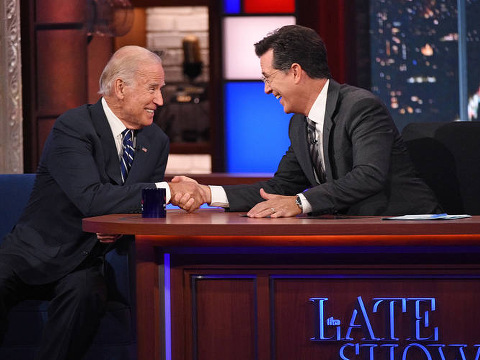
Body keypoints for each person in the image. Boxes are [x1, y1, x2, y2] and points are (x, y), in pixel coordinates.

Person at [0, 45, 203, 359]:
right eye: (153, 88)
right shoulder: (74, 127)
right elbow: (91, 198)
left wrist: (122, 228)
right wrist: (168, 190)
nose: (160, 100)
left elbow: (147, 210)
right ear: (121, 88)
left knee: (86, 295)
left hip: (86, 260)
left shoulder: (156, 140)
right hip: (34, 252)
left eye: (160, 89)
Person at [172, 25, 442, 217]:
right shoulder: (300, 124)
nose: (267, 89)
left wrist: (300, 203)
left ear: (295, 72)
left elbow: (368, 176)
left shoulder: (361, 107)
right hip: (357, 231)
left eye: (268, 77)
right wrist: (207, 193)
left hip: (409, 227)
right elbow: (278, 189)